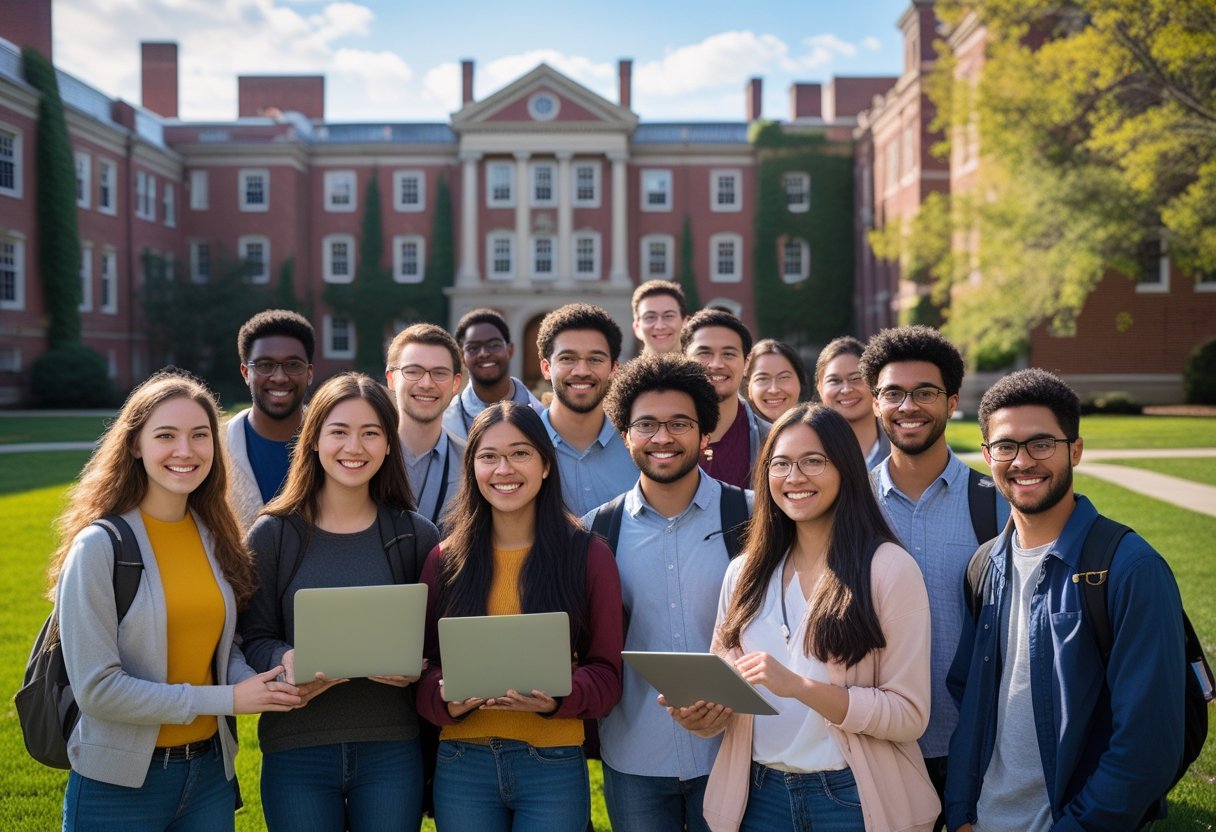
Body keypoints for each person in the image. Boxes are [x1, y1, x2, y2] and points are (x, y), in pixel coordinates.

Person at [50, 369, 302, 830]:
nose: (185, 451)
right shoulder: (99, 547)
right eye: (166, 435)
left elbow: (220, 649)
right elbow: (98, 690)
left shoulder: (214, 535)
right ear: (134, 444)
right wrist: (227, 698)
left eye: (199, 435)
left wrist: (266, 681)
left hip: (208, 777)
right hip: (119, 785)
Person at [676, 404, 938, 832]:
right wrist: (703, 715)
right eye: (780, 464)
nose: (794, 477)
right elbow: (727, 687)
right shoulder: (742, 574)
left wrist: (798, 686)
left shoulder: (888, 569)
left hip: (851, 799)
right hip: (758, 797)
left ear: (845, 470)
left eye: (813, 461)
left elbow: (909, 715)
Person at [946, 369, 1186, 832]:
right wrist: (960, 813)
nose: (1022, 461)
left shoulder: (1130, 569)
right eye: (1005, 447)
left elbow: (1147, 745)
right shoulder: (984, 566)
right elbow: (970, 701)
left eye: (1041, 444)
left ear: (1075, 449)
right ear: (986, 455)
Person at [239, 373, 441, 831]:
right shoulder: (274, 535)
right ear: (313, 441)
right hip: (297, 748)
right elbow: (253, 638)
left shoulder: (415, 536)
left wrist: (420, 667)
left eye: (371, 433)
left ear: (389, 444)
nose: (355, 446)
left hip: (392, 749)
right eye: (339, 431)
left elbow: (439, 647)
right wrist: (284, 657)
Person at [416, 402, 624, 831]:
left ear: (546, 465)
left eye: (520, 453)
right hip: (462, 763)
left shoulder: (588, 556)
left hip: (551, 762)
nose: (503, 469)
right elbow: (420, 670)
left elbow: (607, 675)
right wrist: (444, 700)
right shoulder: (444, 559)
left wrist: (559, 696)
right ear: (472, 467)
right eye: (488, 456)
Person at [584, 353, 751, 832]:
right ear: (624, 435)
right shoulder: (598, 530)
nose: (662, 438)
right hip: (634, 754)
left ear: (705, 434)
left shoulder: (753, 518)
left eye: (679, 423)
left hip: (734, 752)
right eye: (647, 425)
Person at [858, 325, 1009, 826]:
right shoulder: (847, 505)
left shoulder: (997, 503)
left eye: (925, 392)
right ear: (875, 402)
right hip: (874, 742)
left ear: (952, 401)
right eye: (893, 393)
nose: (909, 406)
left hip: (978, 740)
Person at [538, 303, 638, 515]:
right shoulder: (523, 443)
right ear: (546, 368)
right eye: (567, 359)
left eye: (595, 359)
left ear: (614, 369)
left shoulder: (638, 445)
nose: (582, 371)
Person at [227, 309, 316, 531]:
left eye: (293, 364)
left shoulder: (337, 444)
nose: (279, 377)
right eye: (265, 365)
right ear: (246, 372)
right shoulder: (215, 448)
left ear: (309, 373)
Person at [386, 323, 466, 529]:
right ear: (391, 379)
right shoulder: (363, 455)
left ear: (456, 383)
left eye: (439, 373)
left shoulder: (471, 463)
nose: (426, 384)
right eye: (413, 371)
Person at [681, 309, 771, 489]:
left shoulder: (770, 440)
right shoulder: (658, 437)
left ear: (746, 363)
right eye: (704, 353)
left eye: (728, 354)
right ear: (684, 358)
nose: (716, 364)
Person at [443, 308, 541, 441]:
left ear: (510, 350)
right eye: (473, 348)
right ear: (462, 357)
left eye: (493, 345)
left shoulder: (542, 416)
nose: (484, 353)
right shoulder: (446, 423)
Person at [814, 336, 888, 470]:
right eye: (834, 381)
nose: (846, 389)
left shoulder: (901, 442)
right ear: (820, 388)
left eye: (855, 378)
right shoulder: (808, 447)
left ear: (875, 383)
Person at [746, 339, 807, 424]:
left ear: (800, 382)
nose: (773, 390)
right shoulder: (734, 434)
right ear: (749, 388)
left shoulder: (820, 432)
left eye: (783, 377)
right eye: (762, 379)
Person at [632, 279, 689, 356]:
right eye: (650, 317)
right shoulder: (624, 368)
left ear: (685, 323)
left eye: (669, 316)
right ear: (637, 328)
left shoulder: (705, 367)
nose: (660, 326)